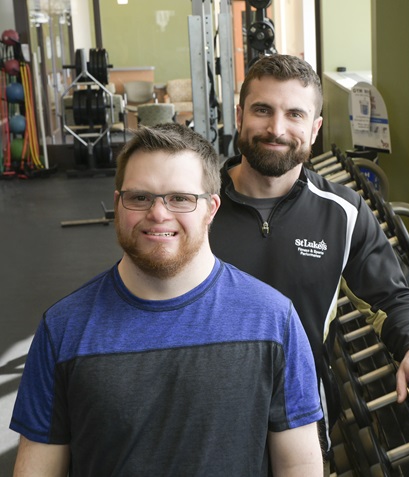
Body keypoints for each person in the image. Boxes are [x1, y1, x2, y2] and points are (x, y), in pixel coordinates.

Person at [10, 123, 324, 476]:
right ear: (118, 204)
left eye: (180, 198)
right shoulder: (63, 328)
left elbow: (298, 465)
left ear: (211, 208)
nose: (158, 214)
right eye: (140, 197)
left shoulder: (273, 319)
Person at [209, 55, 409, 447]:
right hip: (206, 414)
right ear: (240, 115)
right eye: (262, 110)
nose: (277, 128)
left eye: (295, 115)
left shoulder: (344, 213)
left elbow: (391, 297)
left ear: (315, 127)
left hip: (299, 413)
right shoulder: (196, 207)